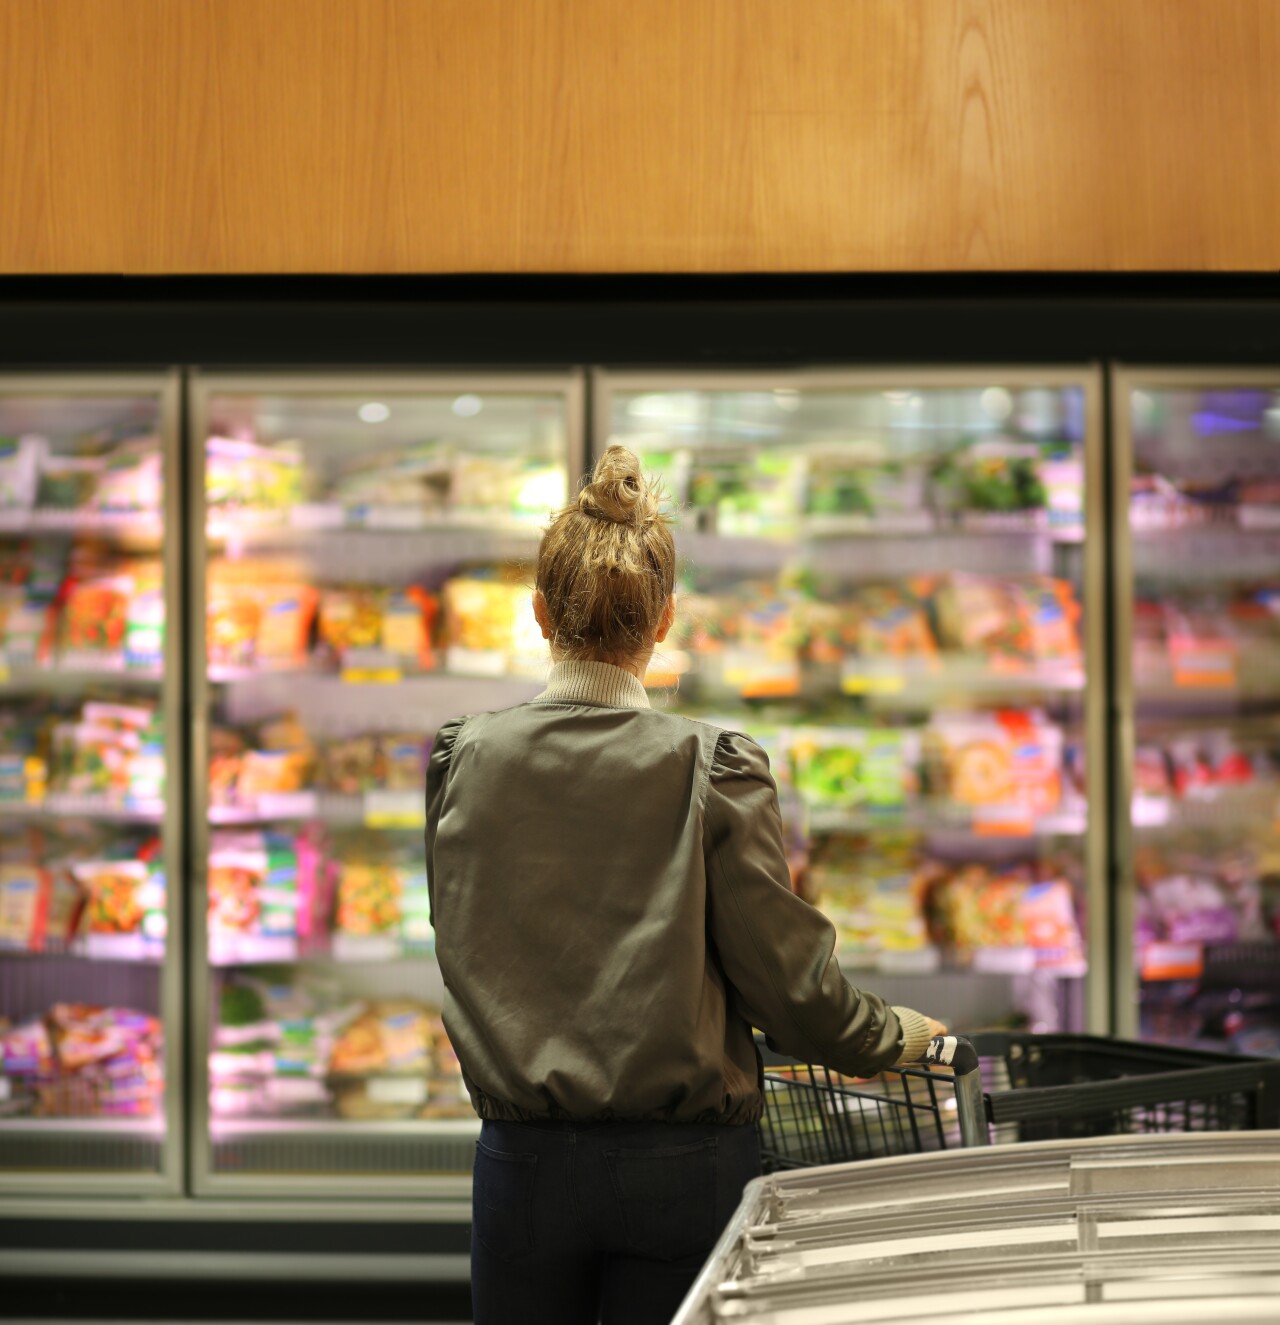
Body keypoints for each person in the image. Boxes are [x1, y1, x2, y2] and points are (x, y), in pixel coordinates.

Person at [425, 445, 946, 1325]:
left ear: (540, 614)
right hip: (685, 1167)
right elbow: (788, 989)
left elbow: (462, 932)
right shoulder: (712, 766)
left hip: (521, 1167)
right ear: (663, 622)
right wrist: (893, 1037)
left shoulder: (463, 756)